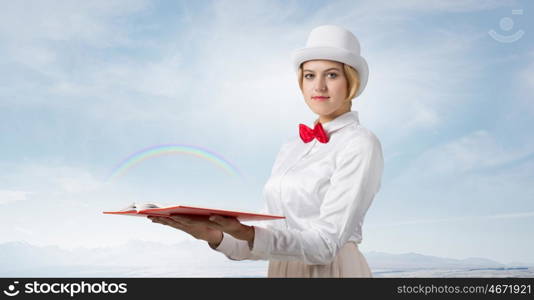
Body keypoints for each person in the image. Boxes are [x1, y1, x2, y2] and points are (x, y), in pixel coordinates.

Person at [148, 24, 384, 278]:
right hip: (280, 270)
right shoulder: (291, 146)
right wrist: (213, 234)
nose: (319, 87)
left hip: (333, 271)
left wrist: (248, 234)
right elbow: (265, 239)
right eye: (310, 75)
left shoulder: (360, 143)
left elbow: (325, 246)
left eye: (332, 75)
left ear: (352, 80)